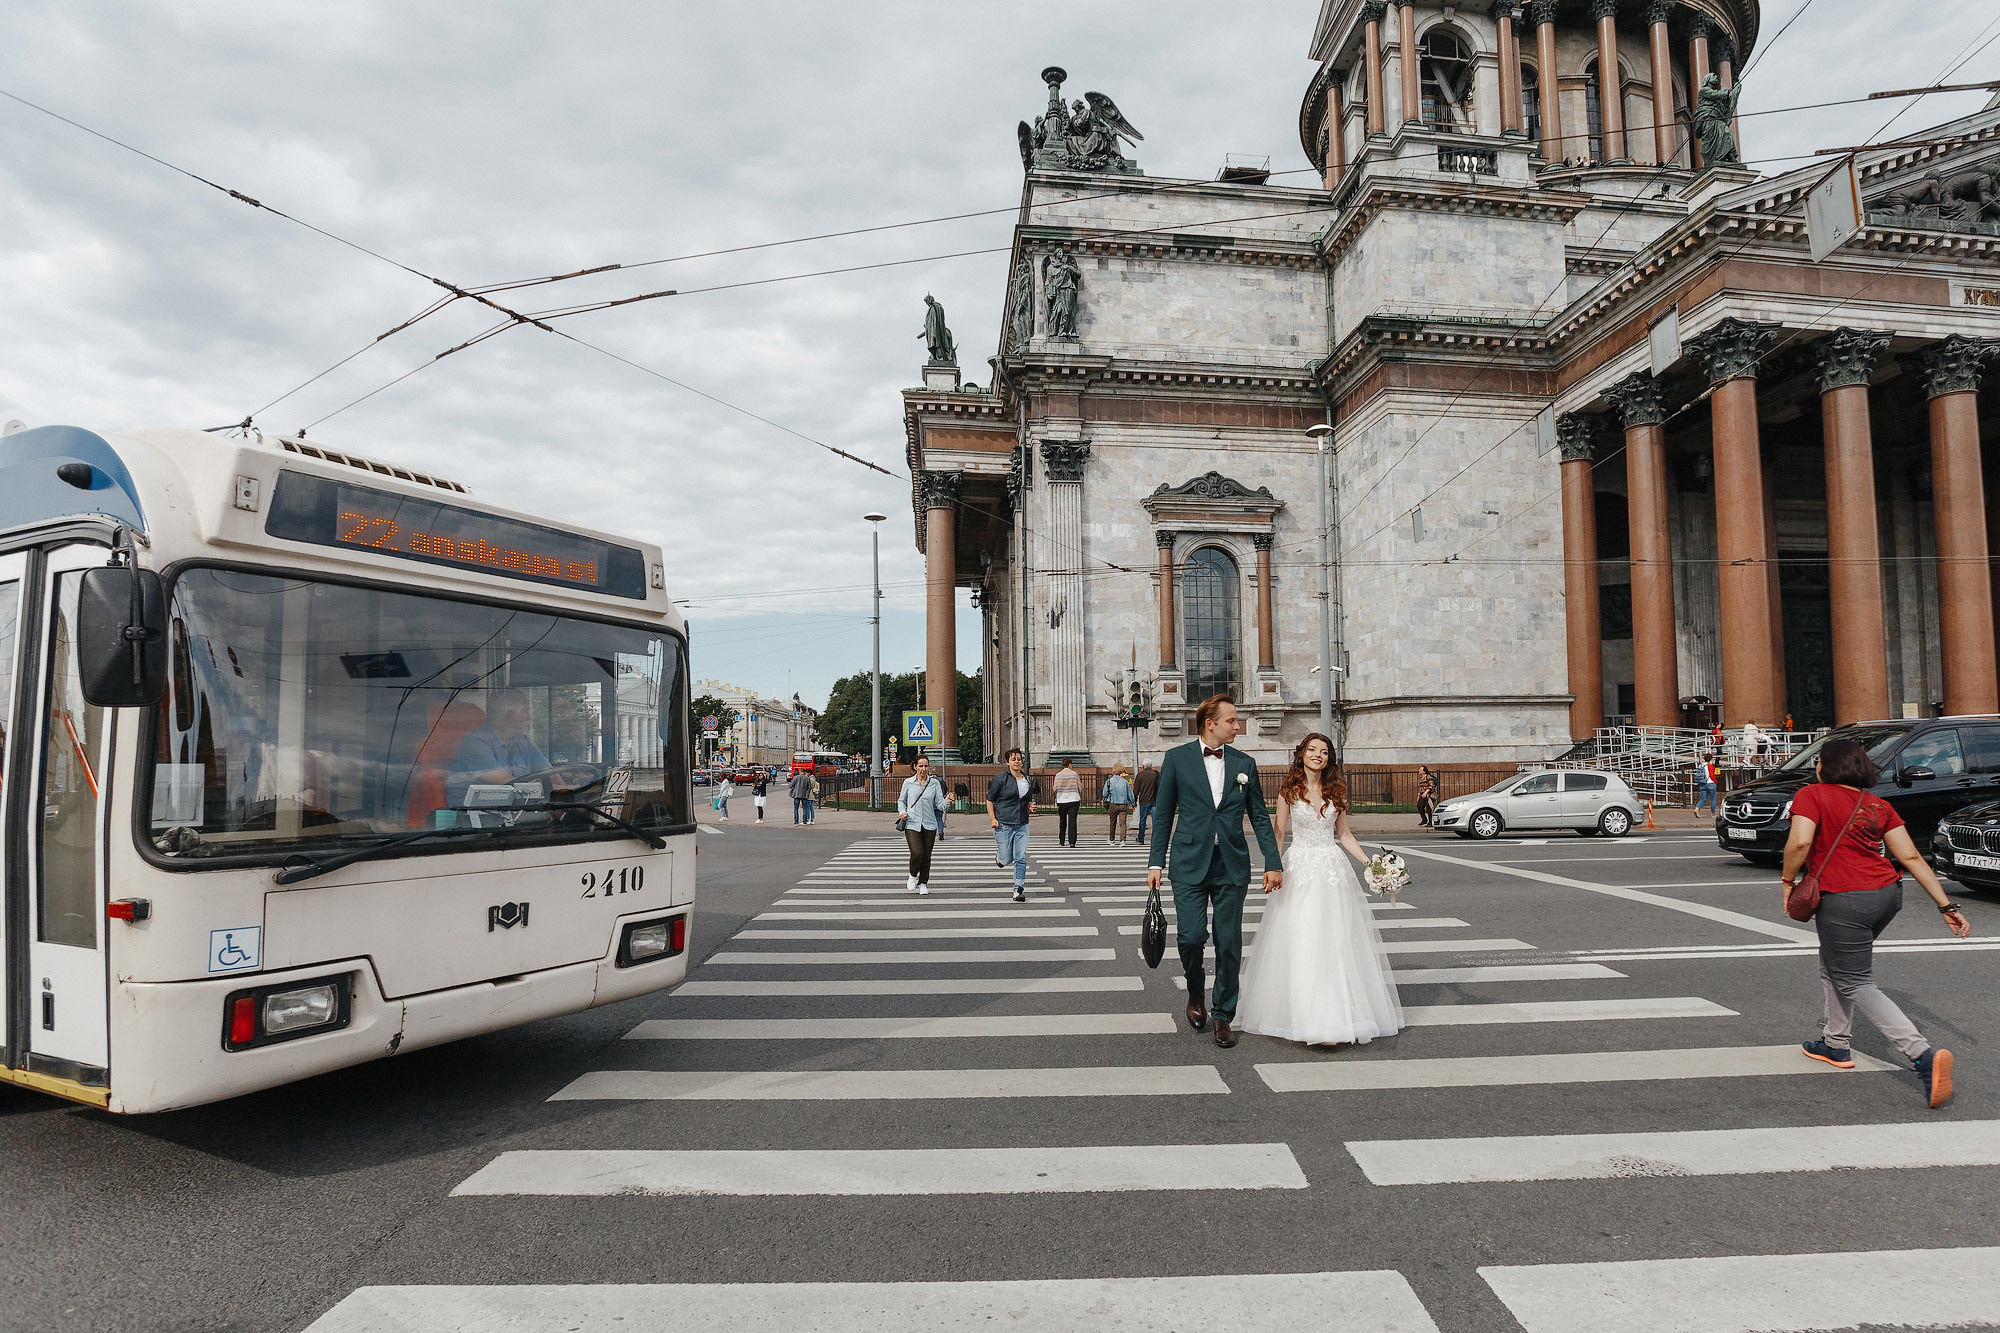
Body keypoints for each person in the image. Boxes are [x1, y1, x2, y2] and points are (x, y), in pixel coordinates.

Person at [1783, 737, 1971, 1108]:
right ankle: (1836, 1044)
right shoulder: (1878, 804)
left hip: (1844, 899)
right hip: (1887, 894)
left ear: (1826, 765)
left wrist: (1788, 882)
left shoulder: (1813, 794)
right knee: (1835, 964)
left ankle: (1923, 1056)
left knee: (1855, 979)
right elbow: (1913, 857)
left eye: (1819, 760)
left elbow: (1800, 844)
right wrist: (1945, 905)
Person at [1238, 733, 1403, 1048]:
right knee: (1304, 939)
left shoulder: (1337, 791)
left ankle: (1333, 1018)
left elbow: (1345, 835)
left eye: (1324, 751)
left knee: (1334, 942)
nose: (1318, 755)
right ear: (1301, 755)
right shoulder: (1289, 791)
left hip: (1331, 871)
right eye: (1312, 750)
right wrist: (1272, 866)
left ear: (1329, 759)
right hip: (1300, 869)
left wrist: (1373, 866)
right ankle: (1305, 1015)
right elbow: (1279, 831)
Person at [1147, 695, 1283, 1050]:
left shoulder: (1244, 763)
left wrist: (1272, 861)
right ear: (1211, 724)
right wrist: (1155, 862)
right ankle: (1195, 991)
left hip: (1231, 864)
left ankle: (1223, 1014)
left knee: (1229, 943)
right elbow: (1162, 815)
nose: (1238, 726)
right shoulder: (1176, 759)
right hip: (1189, 862)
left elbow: (1259, 816)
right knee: (1191, 937)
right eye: (1232, 721)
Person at [448, 688, 551, 808]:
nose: (529, 717)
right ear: (511, 716)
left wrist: (568, 790)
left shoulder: (524, 741)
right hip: (473, 818)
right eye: (525, 711)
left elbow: (550, 773)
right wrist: (552, 788)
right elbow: (506, 782)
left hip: (514, 813)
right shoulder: (474, 742)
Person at [986, 748, 1040, 902]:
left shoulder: (1028, 779)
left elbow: (1027, 800)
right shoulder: (1000, 779)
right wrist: (992, 819)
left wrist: (1031, 806)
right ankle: (1000, 858)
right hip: (1003, 822)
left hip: (1022, 823)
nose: (1016, 761)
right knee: (1005, 858)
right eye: (1013, 759)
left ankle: (1018, 889)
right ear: (1007, 762)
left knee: (1021, 857)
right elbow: (990, 800)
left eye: (1018, 758)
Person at [897, 755, 949, 896]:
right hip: (912, 822)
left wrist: (947, 801)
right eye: (920, 766)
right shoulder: (908, 782)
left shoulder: (934, 784)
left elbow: (939, 804)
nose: (923, 769)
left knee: (926, 856)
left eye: (926, 766)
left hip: (929, 823)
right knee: (917, 852)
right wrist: (902, 812)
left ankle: (923, 883)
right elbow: (901, 801)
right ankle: (913, 874)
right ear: (915, 767)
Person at [1051, 757, 1082, 847]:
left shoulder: (1058, 775)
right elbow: (1079, 786)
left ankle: (1062, 840)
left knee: (1062, 820)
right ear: (1070, 764)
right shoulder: (1074, 774)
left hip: (1062, 800)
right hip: (1073, 799)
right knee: (1072, 821)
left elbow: (1055, 788)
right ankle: (1072, 842)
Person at [1104, 766, 1135, 844]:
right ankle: (1122, 840)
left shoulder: (1109, 781)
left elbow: (1104, 793)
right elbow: (1130, 794)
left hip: (1113, 804)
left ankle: (1112, 839)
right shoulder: (1125, 782)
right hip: (1124, 804)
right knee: (1123, 823)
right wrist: (1133, 803)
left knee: (1112, 822)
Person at [1133, 762, 1159, 843]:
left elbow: (1136, 789)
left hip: (1144, 800)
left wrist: (1134, 800)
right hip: (1154, 800)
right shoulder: (1156, 774)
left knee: (1142, 820)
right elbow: (1159, 787)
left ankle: (1141, 838)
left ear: (1143, 766)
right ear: (1151, 766)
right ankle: (1156, 838)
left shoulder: (1140, 775)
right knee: (1155, 820)